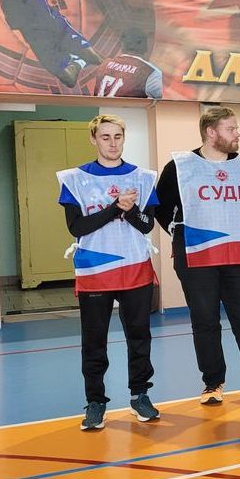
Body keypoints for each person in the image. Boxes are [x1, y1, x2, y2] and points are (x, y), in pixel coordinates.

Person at [155, 106, 240, 404]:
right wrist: (183, 237)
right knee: (205, 320)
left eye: (236, 128)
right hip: (195, 254)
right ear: (211, 132)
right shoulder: (179, 166)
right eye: (231, 129)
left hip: (237, 252)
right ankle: (213, 383)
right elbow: (162, 208)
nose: (237, 134)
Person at [57, 114, 159, 430]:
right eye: (105, 137)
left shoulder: (143, 178)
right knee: (94, 340)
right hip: (95, 272)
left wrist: (130, 211)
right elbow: (77, 227)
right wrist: (115, 207)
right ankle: (96, 402)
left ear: (123, 138)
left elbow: (147, 225)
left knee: (139, 336)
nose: (112, 143)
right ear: (94, 139)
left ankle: (140, 395)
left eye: (118, 136)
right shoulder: (75, 179)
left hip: (135, 269)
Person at [93, 28, 163, 99]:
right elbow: (160, 103)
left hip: (98, 106)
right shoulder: (150, 72)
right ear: (145, 46)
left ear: (122, 44)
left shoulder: (104, 64)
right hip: (126, 106)